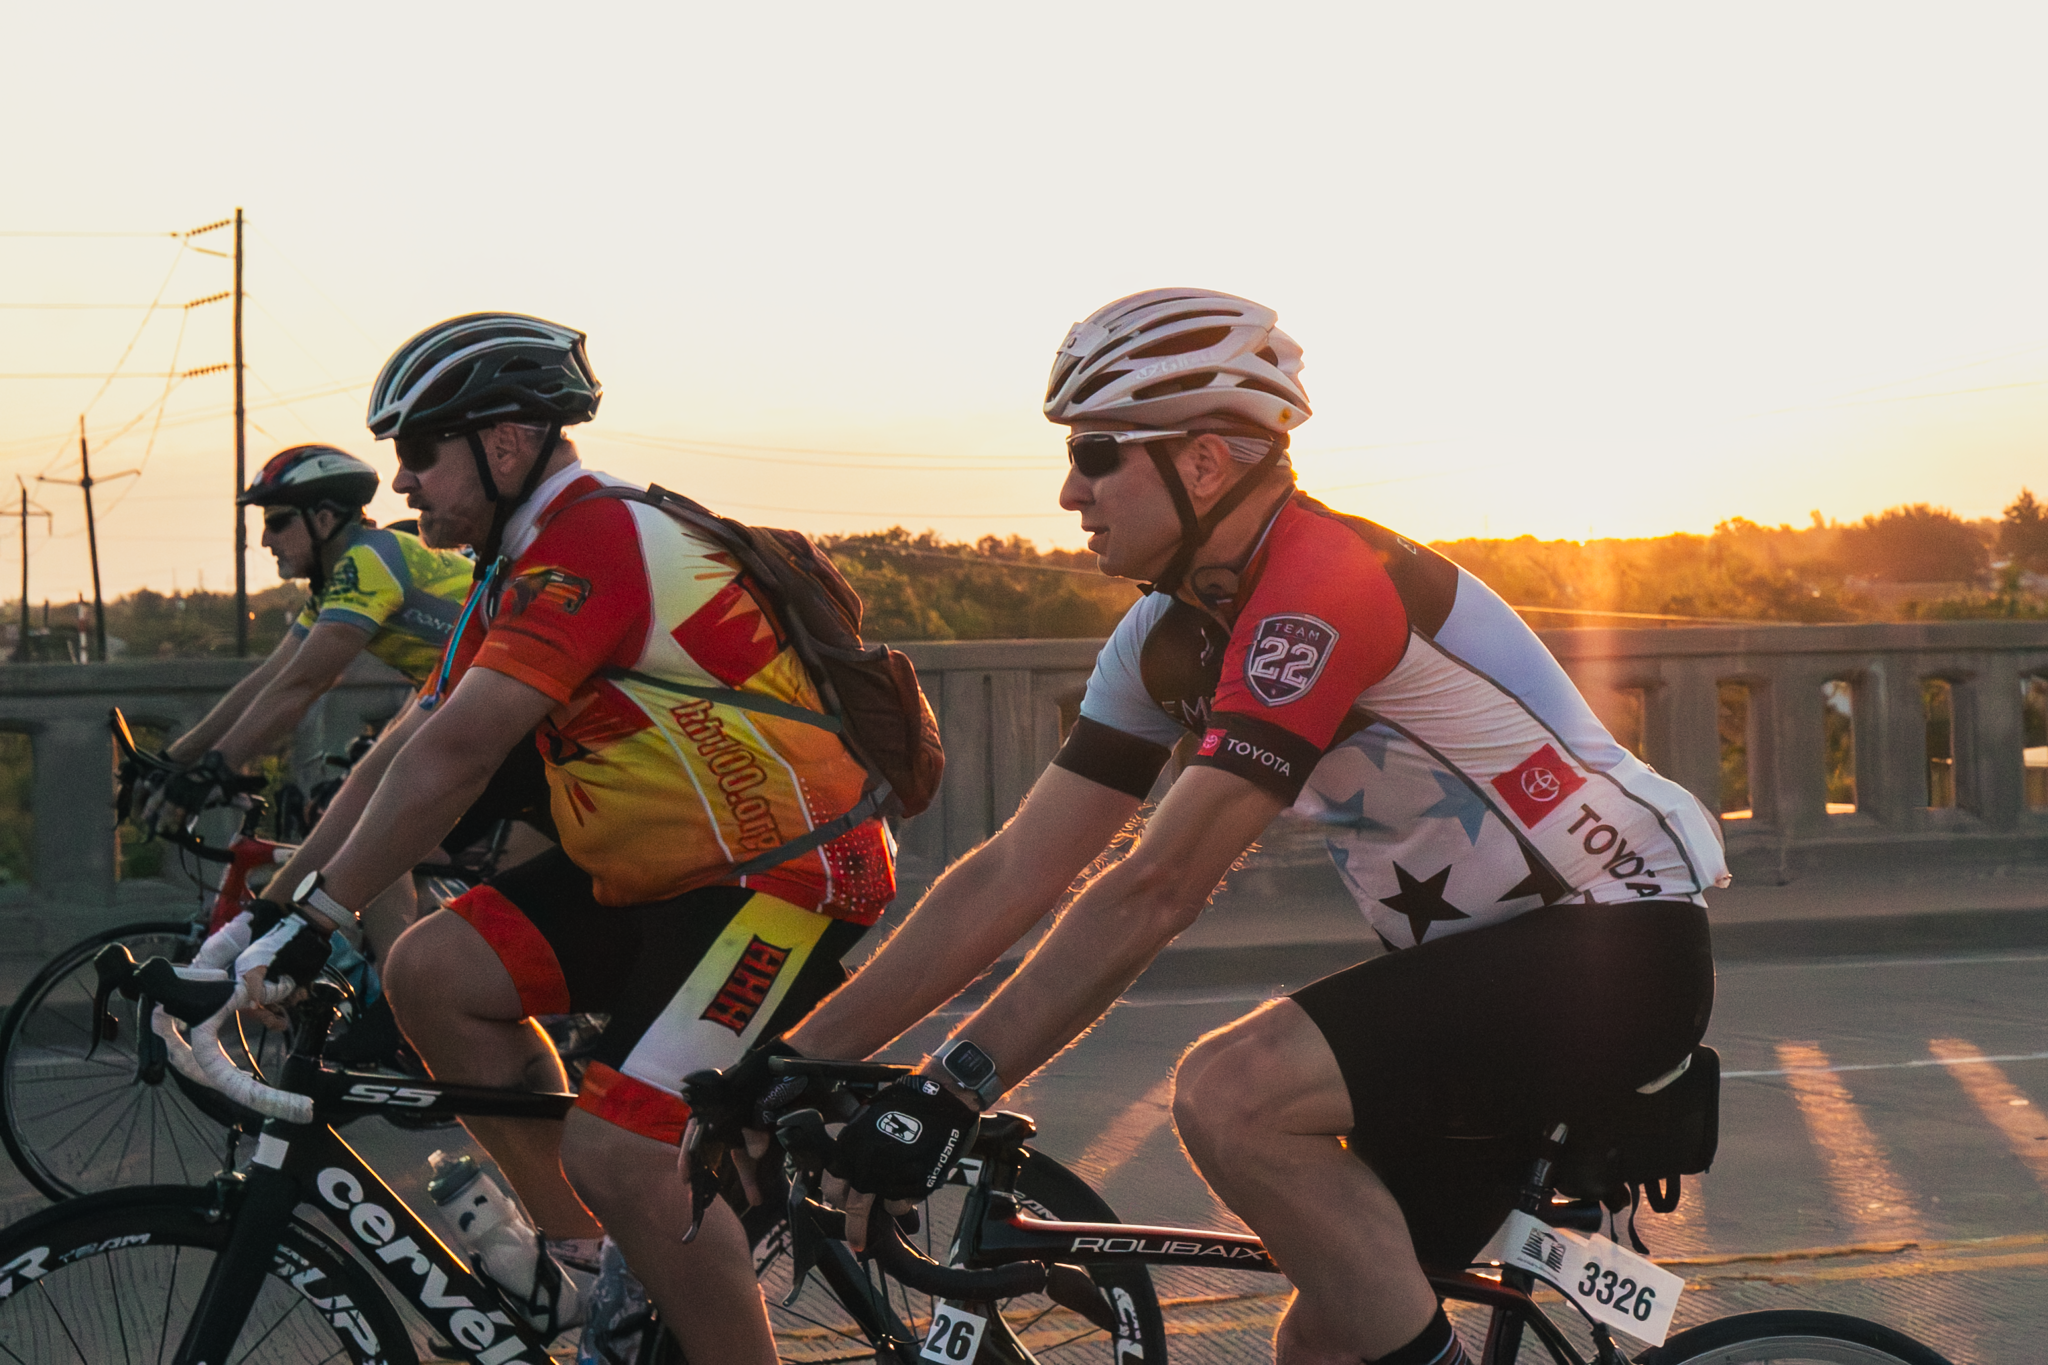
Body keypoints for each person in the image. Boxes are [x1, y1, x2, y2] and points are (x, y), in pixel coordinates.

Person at [748, 288, 1727, 1365]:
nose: (1070, 489)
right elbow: (1016, 872)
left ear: (1203, 462)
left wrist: (948, 1090)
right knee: (1323, 1344)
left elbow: (1154, 886)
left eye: (1095, 451)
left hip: (1610, 954)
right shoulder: (1162, 640)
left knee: (1231, 1094)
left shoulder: (1324, 587)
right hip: (1487, 972)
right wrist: (798, 1060)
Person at [233, 312, 896, 1361]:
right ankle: (600, 1277)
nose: (400, 484)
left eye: (417, 452)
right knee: (435, 970)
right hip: (661, 879)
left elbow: (457, 761)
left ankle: (662, 1281)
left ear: (505, 443)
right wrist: (271, 918)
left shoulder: (594, 541)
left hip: (782, 881)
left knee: (622, 1149)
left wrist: (314, 919)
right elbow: (410, 744)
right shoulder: (515, 559)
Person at [141, 444, 477, 957]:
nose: (264, 538)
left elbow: (304, 686)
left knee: (373, 829)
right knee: (369, 841)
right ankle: (396, 999)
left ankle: (406, 996)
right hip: (455, 703)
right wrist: (173, 759)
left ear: (323, 518)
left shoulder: (369, 561)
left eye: (277, 522)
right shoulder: (338, 579)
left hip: (498, 714)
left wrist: (214, 769)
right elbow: (271, 678)